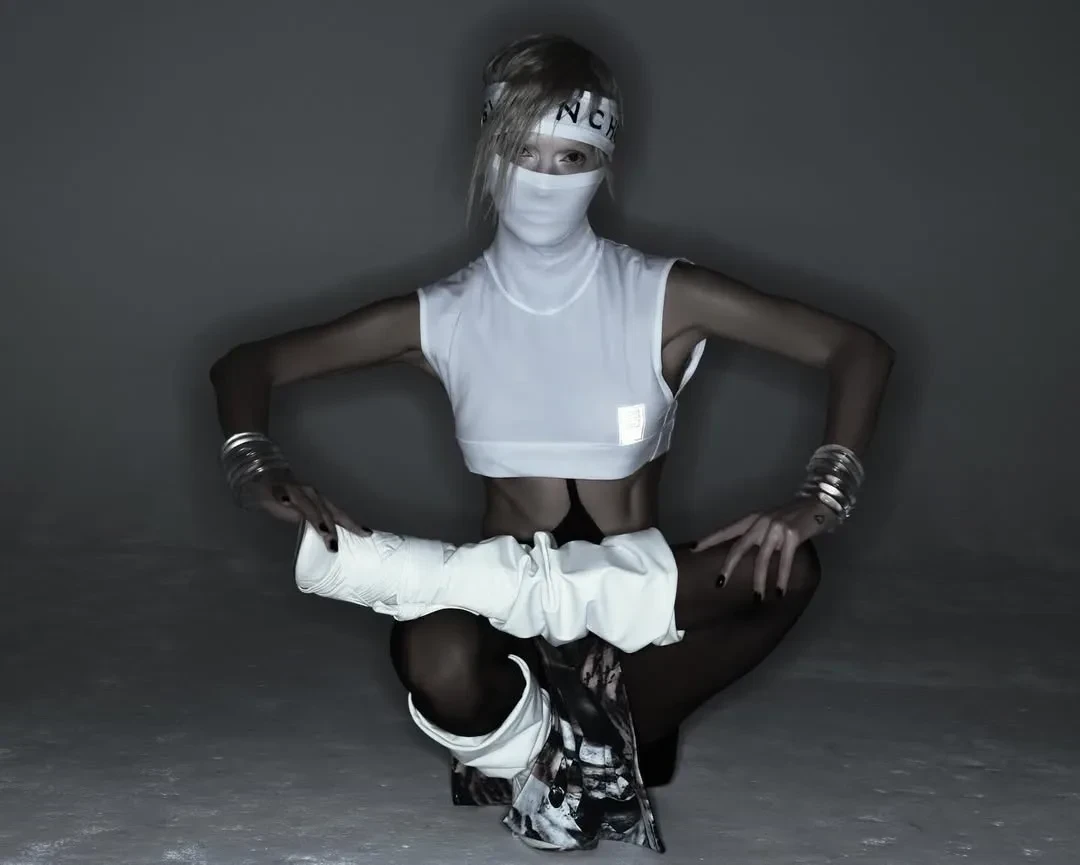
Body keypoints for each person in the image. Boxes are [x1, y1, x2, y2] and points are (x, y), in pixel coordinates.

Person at [209, 33, 894, 853]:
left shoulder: (663, 296)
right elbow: (249, 363)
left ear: (605, 163)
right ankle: (591, 751)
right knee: (434, 649)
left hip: (639, 636)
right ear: (487, 148)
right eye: (522, 150)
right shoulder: (445, 314)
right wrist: (258, 463)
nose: (543, 178)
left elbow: (856, 350)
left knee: (787, 568)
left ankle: (552, 751)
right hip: (509, 635)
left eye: (571, 157)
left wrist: (821, 497)